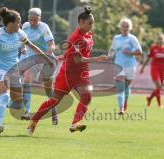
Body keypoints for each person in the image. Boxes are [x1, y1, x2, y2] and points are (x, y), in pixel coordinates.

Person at [27, 6, 107, 135]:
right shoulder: (76, 37)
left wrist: (63, 56)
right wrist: (97, 59)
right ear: (80, 22)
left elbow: (73, 53)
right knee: (54, 101)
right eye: (89, 23)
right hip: (67, 74)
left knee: (87, 96)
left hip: (82, 73)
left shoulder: (89, 34)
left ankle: (75, 123)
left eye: (92, 23)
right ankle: (34, 120)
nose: (92, 26)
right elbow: (77, 60)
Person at [0, 7, 53, 137]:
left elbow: (32, 46)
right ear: (10, 23)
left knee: (17, 105)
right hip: (0, 69)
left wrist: (46, 58)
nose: (21, 24)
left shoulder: (20, 33)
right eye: (18, 22)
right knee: (4, 96)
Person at [107, 17, 142, 114]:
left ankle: (125, 102)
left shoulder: (132, 38)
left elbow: (139, 51)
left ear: (129, 28)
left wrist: (129, 52)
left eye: (127, 26)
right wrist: (109, 56)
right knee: (120, 87)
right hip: (118, 65)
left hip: (130, 66)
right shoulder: (116, 38)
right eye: (123, 26)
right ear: (120, 27)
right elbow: (112, 49)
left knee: (126, 88)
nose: (125, 28)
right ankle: (121, 108)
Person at [140, 34, 164, 108]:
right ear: (157, 40)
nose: (160, 40)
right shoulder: (153, 48)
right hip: (154, 69)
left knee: (160, 87)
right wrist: (142, 68)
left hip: (162, 70)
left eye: (161, 39)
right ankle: (159, 104)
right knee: (158, 85)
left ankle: (149, 98)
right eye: (159, 39)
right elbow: (148, 59)